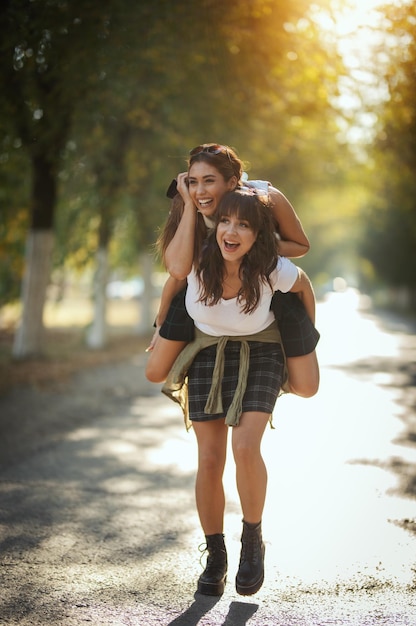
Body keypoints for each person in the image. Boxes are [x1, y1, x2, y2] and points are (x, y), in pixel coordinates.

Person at [161, 188, 317, 596]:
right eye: (225, 222)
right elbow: (172, 284)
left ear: (257, 233)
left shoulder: (272, 266)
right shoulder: (197, 257)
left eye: (244, 224)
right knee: (209, 459)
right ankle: (216, 556)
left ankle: (252, 543)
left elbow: (304, 290)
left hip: (263, 353)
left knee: (245, 447)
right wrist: (160, 322)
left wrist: (304, 342)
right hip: (209, 355)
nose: (232, 231)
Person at [145, 144, 319, 396]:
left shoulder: (265, 198)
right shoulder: (190, 201)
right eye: (193, 181)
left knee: (306, 388)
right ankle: (197, 351)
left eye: (209, 181)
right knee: (154, 373)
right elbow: (178, 272)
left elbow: (301, 246)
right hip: (204, 284)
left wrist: (254, 243)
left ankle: (269, 369)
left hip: (258, 283)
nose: (200, 190)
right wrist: (160, 322)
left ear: (231, 183)